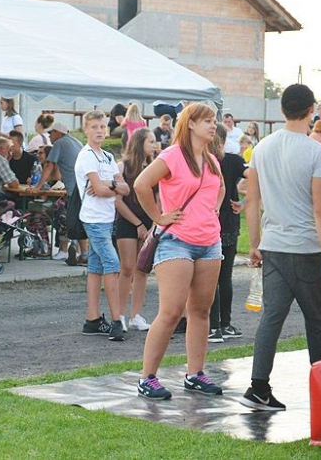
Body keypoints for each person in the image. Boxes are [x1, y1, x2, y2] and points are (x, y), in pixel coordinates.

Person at [239, 84, 321, 412]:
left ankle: (258, 387)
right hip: (307, 248)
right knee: (317, 320)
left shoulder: (262, 148)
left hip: (274, 247)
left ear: (282, 110)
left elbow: (252, 201)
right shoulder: (317, 152)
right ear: (311, 110)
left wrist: (255, 244)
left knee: (271, 318)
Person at [134, 102, 226, 400]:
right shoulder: (172, 155)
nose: (213, 125)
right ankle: (147, 377)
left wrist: (213, 211)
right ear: (191, 124)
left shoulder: (211, 159)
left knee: (200, 310)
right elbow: (141, 184)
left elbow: (220, 188)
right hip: (177, 241)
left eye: (214, 120)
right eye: (207, 121)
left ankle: (195, 374)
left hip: (210, 242)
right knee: (172, 311)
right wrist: (158, 217)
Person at [74, 110, 130, 341]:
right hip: (94, 219)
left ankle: (93, 319)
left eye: (102, 127)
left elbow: (125, 189)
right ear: (86, 129)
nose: (99, 131)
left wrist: (110, 185)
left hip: (107, 218)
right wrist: (111, 186)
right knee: (112, 263)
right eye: (94, 127)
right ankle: (117, 320)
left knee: (96, 267)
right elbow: (97, 190)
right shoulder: (86, 155)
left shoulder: (107, 156)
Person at [207, 124, 248, 343]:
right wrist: (245, 202)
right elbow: (256, 176)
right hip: (229, 223)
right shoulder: (233, 161)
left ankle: (213, 325)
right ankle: (225, 323)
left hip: (210, 223)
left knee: (210, 278)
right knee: (225, 277)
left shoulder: (203, 161)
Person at [115, 128, 157, 333]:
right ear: (140, 143)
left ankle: (136, 315)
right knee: (127, 268)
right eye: (151, 141)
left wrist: (153, 225)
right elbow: (117, 201)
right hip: (127, 220)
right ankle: (119, 315)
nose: (154, 146)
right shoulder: (123, 166)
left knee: (142, 270)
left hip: (148, 222)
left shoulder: (154, 168)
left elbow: (158, 200)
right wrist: (137, 224)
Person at [35, 121, 89, 265]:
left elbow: (49, 164)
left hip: (74, 189)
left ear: (58, 133)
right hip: (83, 187)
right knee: (79, 220)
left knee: (73, 220)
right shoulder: (76, 142)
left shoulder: (59, 143)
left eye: (51, 133)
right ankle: (82, 253)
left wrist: (38, 187)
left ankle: (81, 252)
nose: (49, 136)